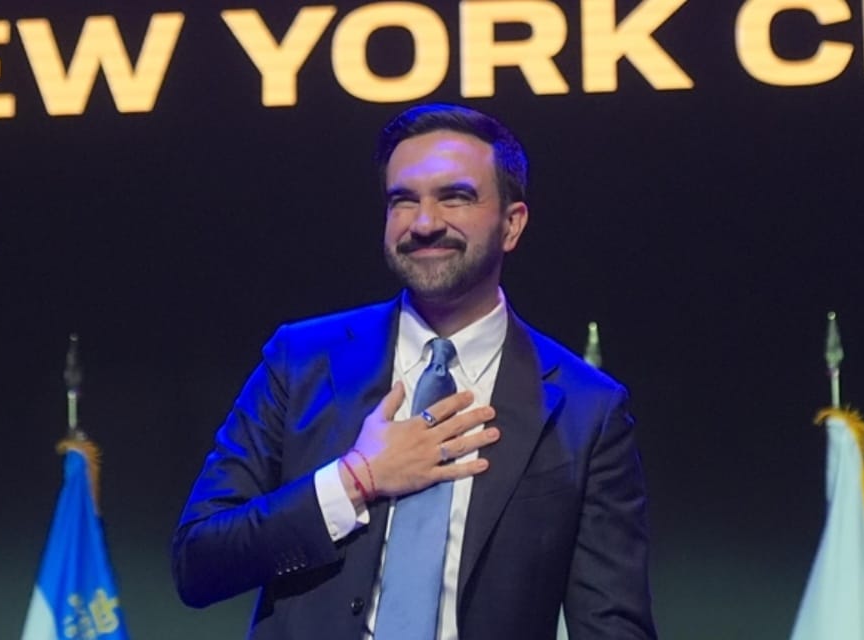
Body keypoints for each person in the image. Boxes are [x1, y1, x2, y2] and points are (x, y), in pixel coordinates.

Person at [172, 103, 655, 640]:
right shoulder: (301, 360)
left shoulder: (587, 409)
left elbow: (613, 627)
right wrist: (354, 480)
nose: (424, 224)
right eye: (403, 200)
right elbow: (199, 562)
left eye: (455, 197)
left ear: (512, 224)